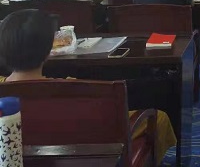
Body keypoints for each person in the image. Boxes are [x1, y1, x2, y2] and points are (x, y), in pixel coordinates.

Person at [0, 9, 177, 165]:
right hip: (79, 156)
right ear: (48, 51)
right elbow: (112, 123)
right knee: (159, 118)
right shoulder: (74, 89)